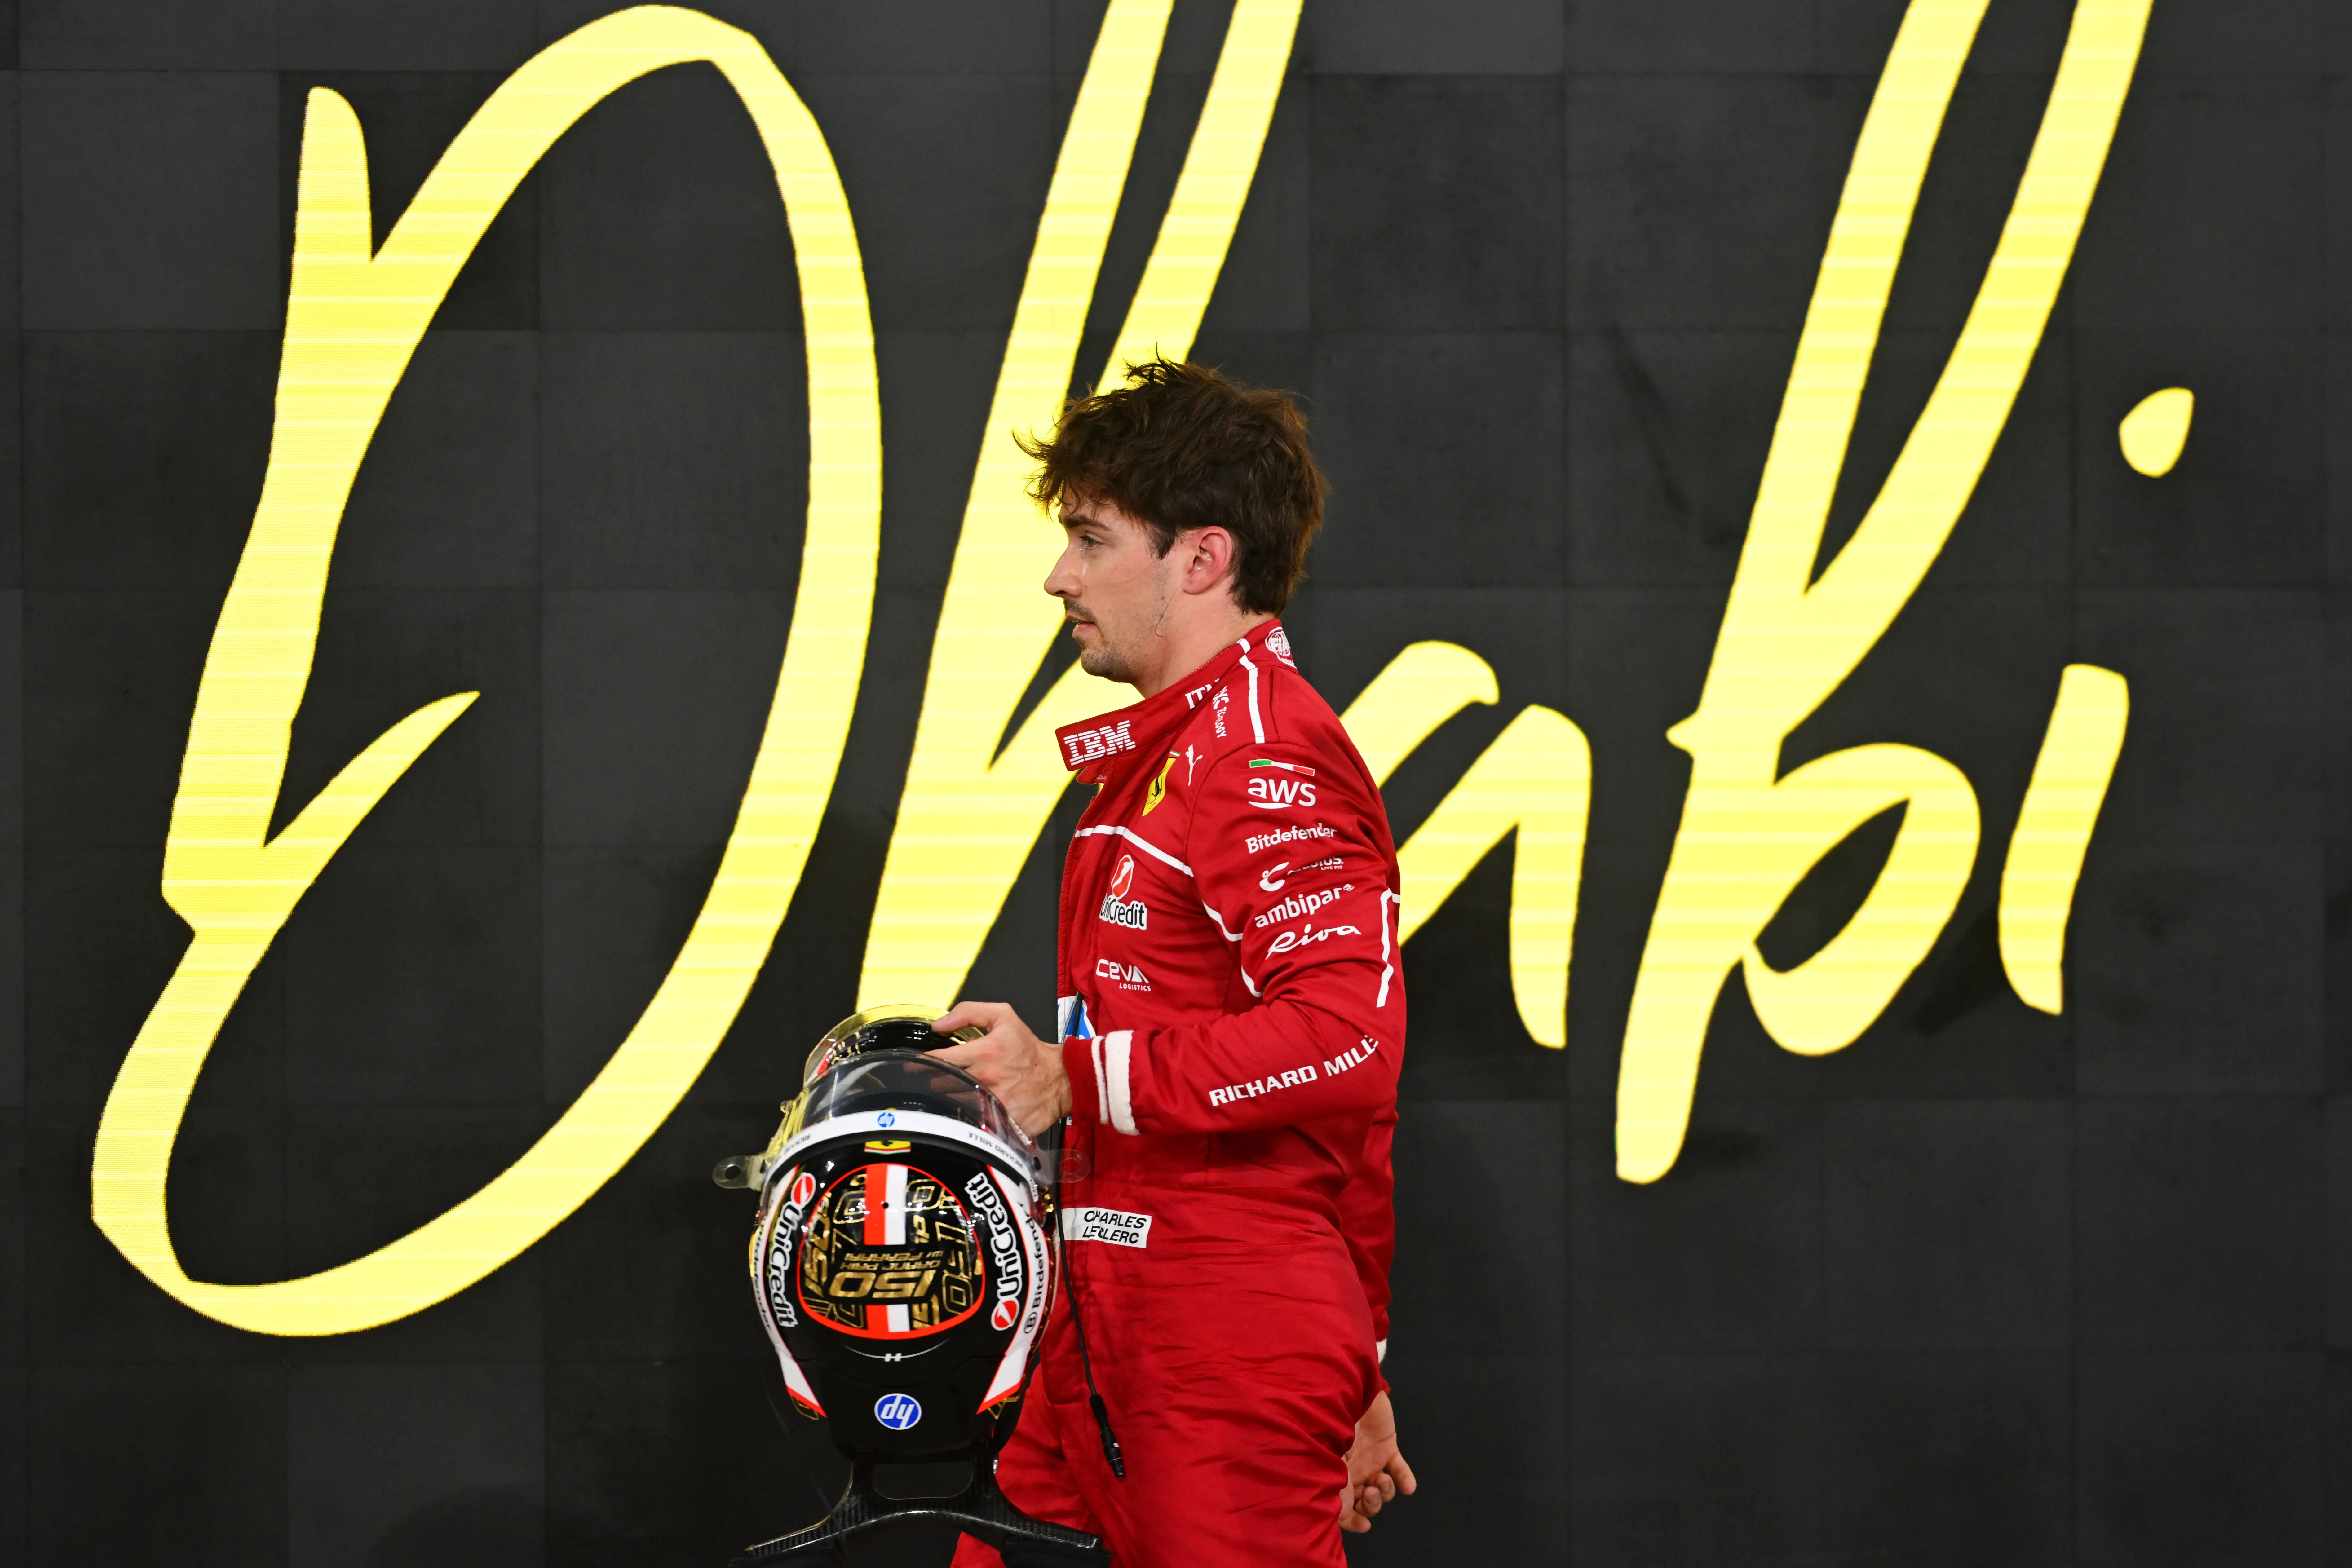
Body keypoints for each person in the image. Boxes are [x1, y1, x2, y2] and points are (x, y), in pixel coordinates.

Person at [929, 359, 1414, 1567]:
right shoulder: (1160, 757)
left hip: (1215, 1344)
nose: (1058, 576)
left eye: (1090, 539)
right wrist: (1362, 1366)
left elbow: (1347, 1044)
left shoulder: (1257, 757)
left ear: (1200, 559)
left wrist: (1070, 1078)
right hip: (1108, 1327)